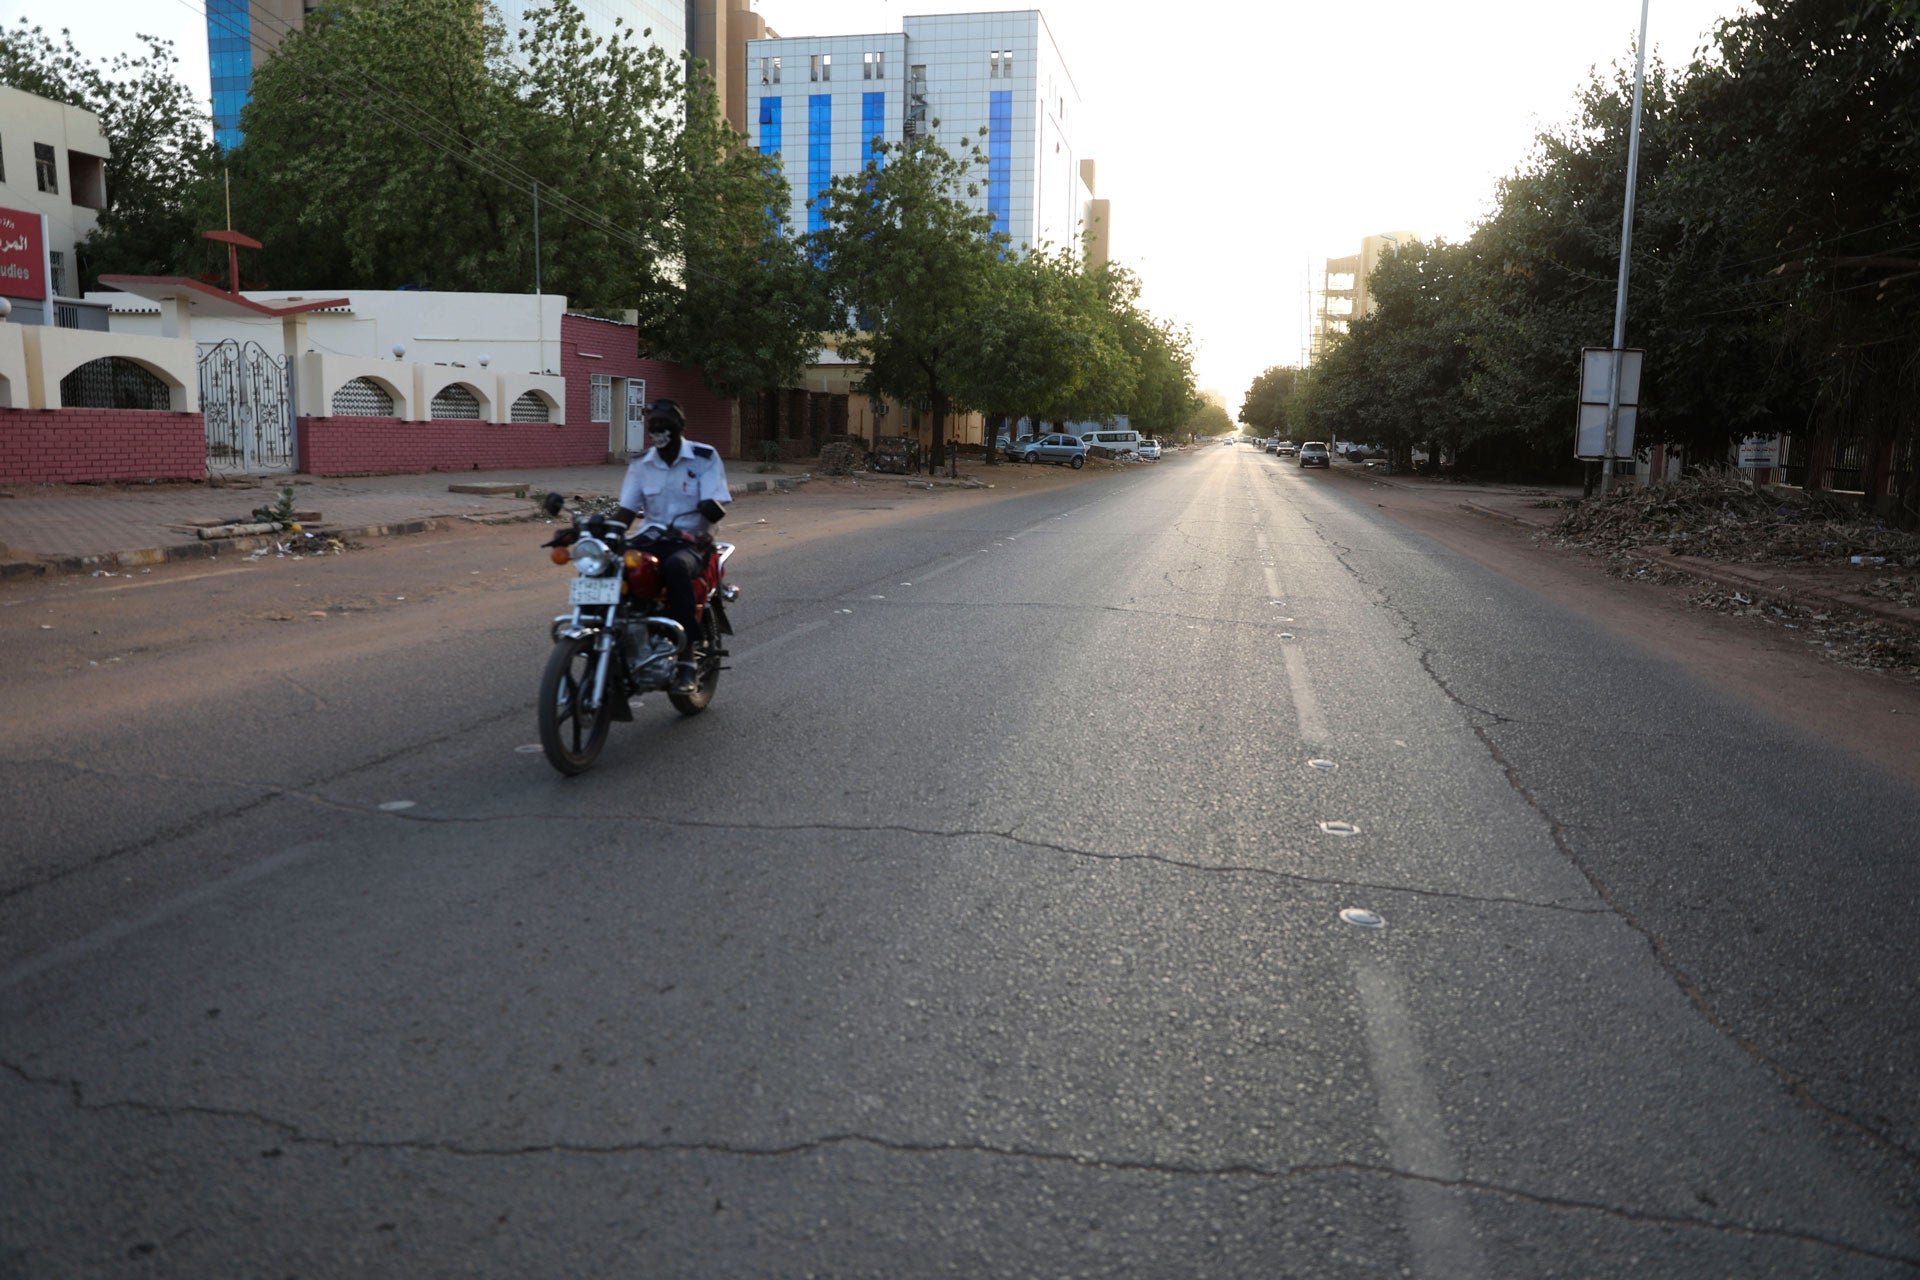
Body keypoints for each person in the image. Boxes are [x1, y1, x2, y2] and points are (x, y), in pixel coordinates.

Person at [611, 399, 731, 695]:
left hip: (692, 542)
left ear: (680, 426)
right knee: (611, 565)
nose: (659, 431)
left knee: (676, 567)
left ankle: (687, 660)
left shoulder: (704, 457)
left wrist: (709, 508)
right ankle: (613, 641)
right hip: (652, 538)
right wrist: (608, 531)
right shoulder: (642, 463)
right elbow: (626, 510)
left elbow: (716, 500)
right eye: (653, 426)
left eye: (665, 425)